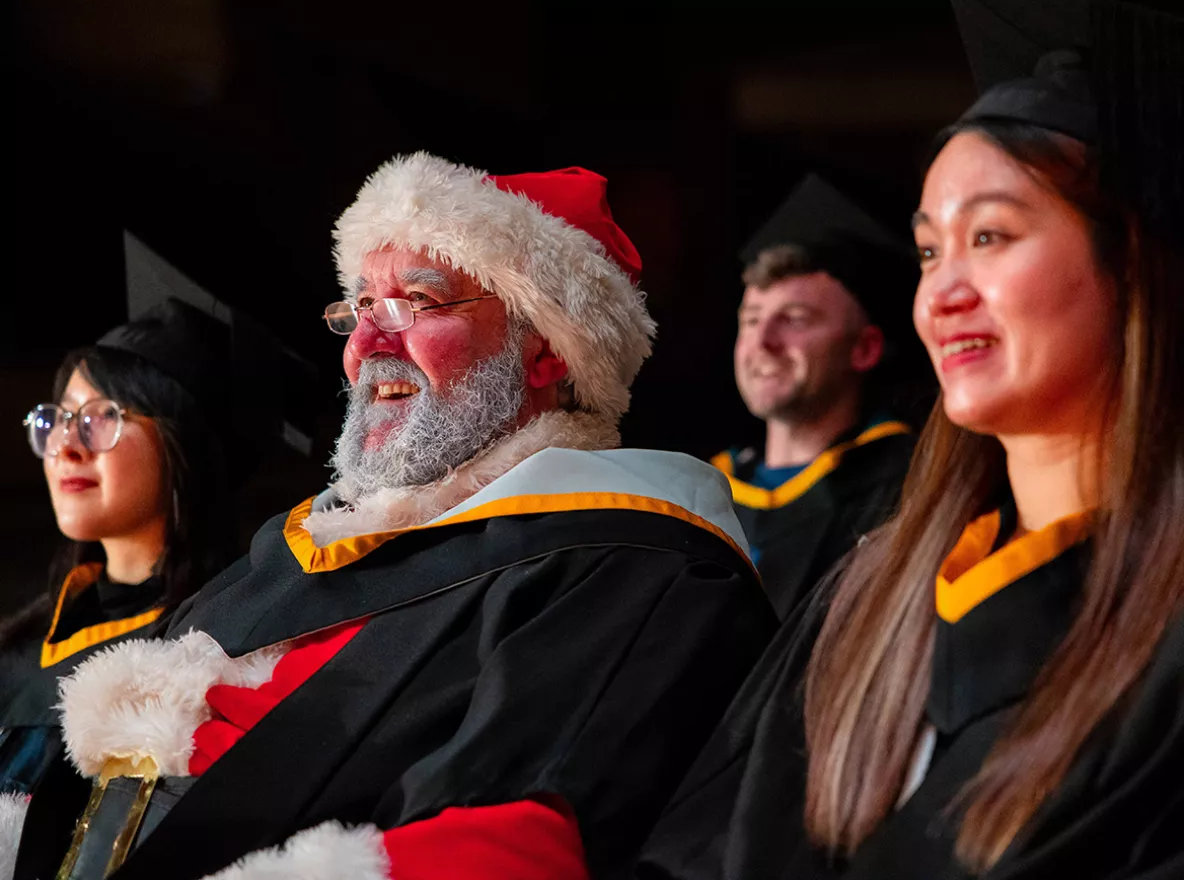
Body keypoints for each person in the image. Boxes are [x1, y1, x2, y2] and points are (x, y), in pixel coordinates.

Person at [11, 156, 775, 880]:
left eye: (421, 303)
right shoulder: (289, 553)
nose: (369, 345)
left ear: (546, 352)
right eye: (361, 308)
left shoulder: (629, 572)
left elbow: (522, 839)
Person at [636, 0, 1184, 878]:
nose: (944, 293)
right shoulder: (873, 592)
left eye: (991, 236)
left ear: (1136, 261)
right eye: (931, 251)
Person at [0, 231, 314, 802]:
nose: (67, 446)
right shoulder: (14, 647)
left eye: (101, 417)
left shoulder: (226, 646)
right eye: (58, 420)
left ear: (183, 446)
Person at [711, 174, 922, 618]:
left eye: (795, 318)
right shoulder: (703, 493)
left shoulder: (908, 492)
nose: (763, 341)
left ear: (864, 348)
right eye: (750, 320)